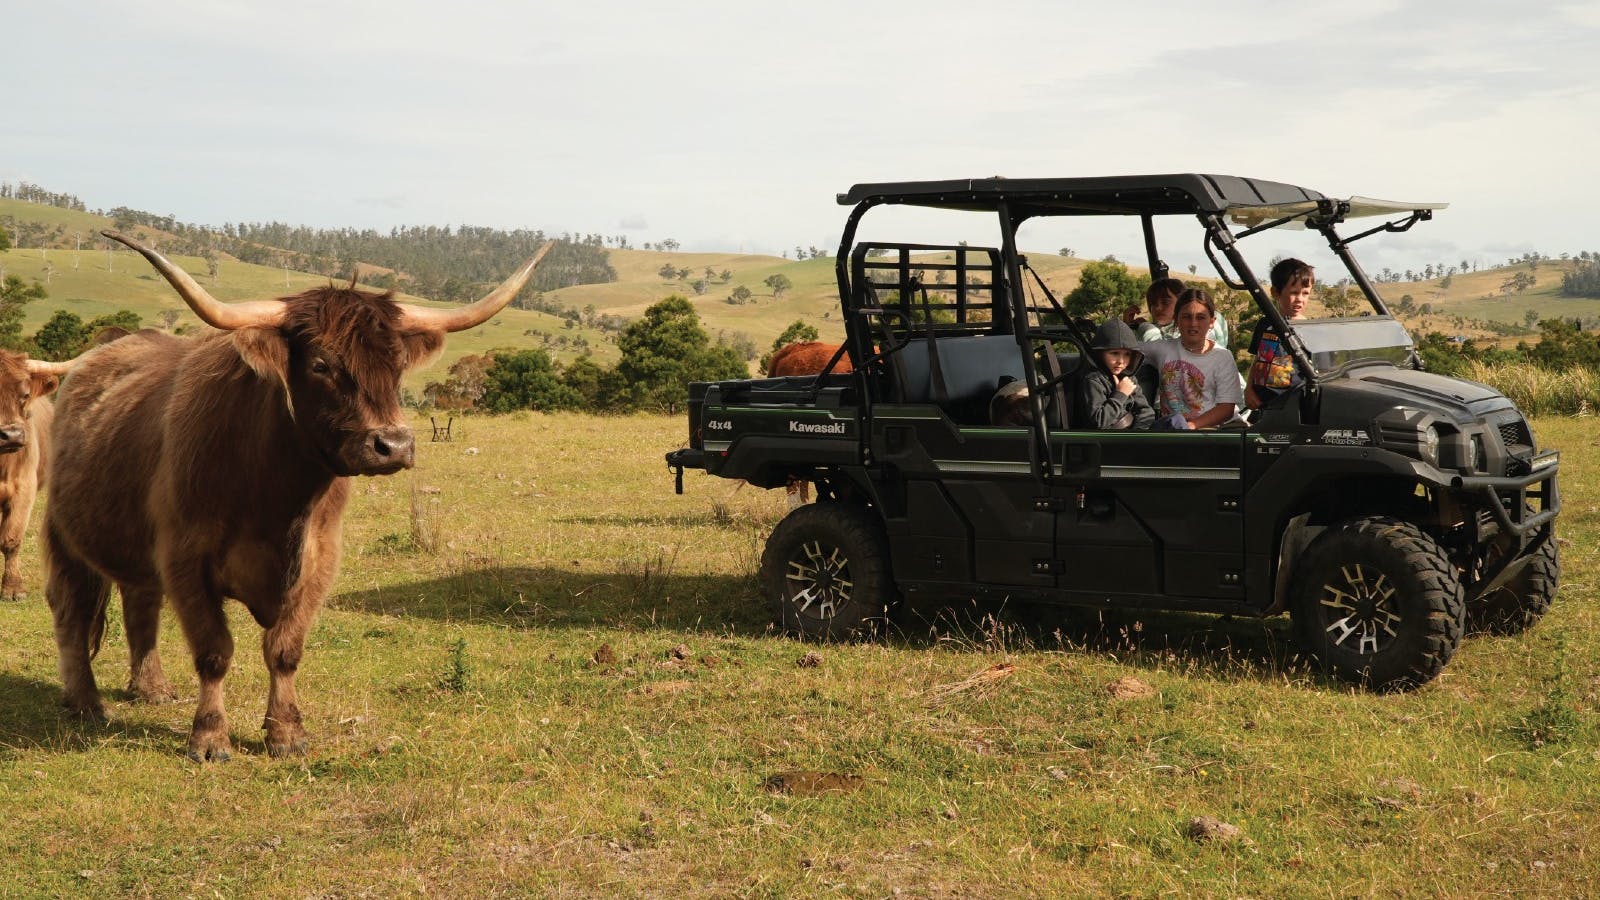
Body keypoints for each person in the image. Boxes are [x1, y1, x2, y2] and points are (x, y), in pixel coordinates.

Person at [1140, 288, 1241, 430]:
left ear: (1212, 322)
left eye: (1200, 317)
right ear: (1176, 320)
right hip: (1174, 429)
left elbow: (1226, 408)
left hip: (1212, 430)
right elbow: (1124, 350)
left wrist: (1191, 426)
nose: (1193, 324)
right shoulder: (1162, 350)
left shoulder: (1222, 357)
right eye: (1186, 317)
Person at [1245, 257, 1314, 410]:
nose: (1300, 300)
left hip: (1292, 404)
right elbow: (1258, 359)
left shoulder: (1310, 330)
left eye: (1305, 293)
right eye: (1294, 293)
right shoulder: (1265, 324)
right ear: (1276, 292)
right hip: (1263, 404)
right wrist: (1249, 389)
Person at [1077, 318, 1155, 430]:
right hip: (1108, 440)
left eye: (1127, 354)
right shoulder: (1093, 381)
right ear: (1099, 354)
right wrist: (1121, 394)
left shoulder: (1128, 378)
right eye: (1114, 353)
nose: (1121, 361)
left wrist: (1137, 435)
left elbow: (1146, 412)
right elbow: (1098, 421)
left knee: (1175, 420)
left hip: (1132, 436)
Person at [1137, 277, 1231, 349]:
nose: (1158, 308)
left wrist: (1146, 328)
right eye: (1153, 304)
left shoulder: (1197, 325)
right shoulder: (1160, 329)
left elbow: (1164, 356)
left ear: (1182, 301)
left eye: (1165, 302)